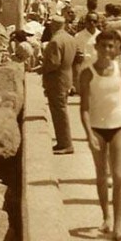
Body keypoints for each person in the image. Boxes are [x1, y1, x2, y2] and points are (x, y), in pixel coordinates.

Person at [79, 30, 121, 241]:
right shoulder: (87, 73)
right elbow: (84, 108)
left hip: (119, 126)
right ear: (96, 47)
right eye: (104, 46)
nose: (108, 50)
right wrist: (88, 134)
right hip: (97, 128)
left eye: (112, 46)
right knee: (102, 174)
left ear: (117, 48)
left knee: (119, 176)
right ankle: (106, 217)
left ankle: (118, 227)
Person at [39, 15, 76, 154]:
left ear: (53, 25)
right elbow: (77, 57)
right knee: (61, 110)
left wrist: (41, 69)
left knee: (59, 112)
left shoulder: (55, 41)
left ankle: (65, 143)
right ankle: (63, 142)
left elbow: (54, 63)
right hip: (67, 78)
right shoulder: (70, 38)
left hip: (56, 80)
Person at [73, 11, 100, 94]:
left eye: (94, 21)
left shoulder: (101, 35)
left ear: (97, 22)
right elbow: (74, 56)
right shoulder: (78, 36)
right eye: (89, 20)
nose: (92, 23)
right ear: (85, 22)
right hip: (83, 70)